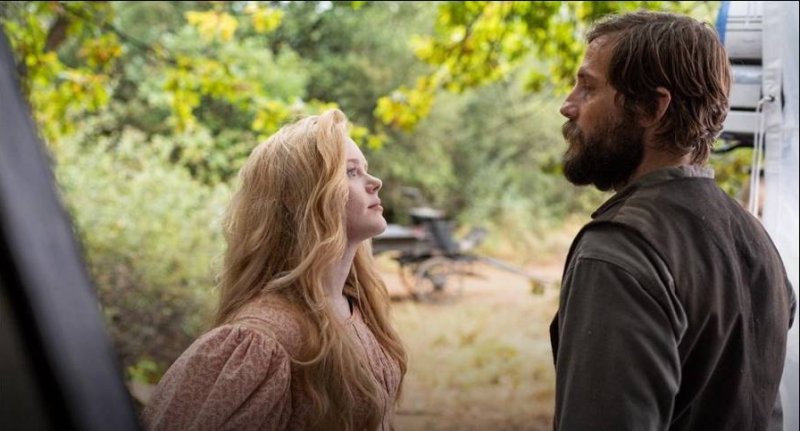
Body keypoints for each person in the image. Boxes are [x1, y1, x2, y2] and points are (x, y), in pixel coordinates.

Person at [550, 11, 796, 431]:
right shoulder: (755, 238)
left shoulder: (620, 250)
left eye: (589, 87)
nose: (567, 105)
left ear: (652, 107)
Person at [142, 109, 407, 431]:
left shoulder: (357, 308)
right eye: (351, 172)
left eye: (365, 169)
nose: (375, 182)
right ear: (299, 197)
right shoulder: (259, 341)